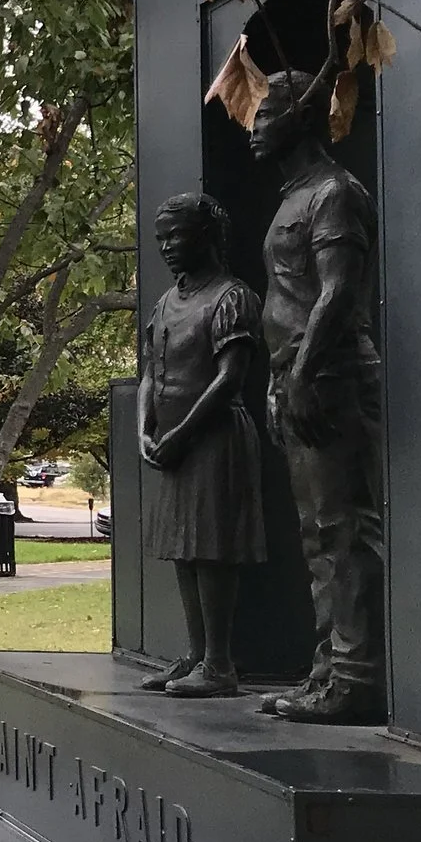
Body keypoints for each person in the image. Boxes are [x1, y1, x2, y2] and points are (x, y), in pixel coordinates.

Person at [250, 68, 386, 724]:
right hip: (298, 374)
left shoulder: (334, 193)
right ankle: (329, 669)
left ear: (302, 115)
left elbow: (336, 292)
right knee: (316, 535)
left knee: (343, 529)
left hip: (328, 376)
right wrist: (282, 377)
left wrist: (301, 372)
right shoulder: (294, 195)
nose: (253, 124)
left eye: (266, 112)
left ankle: (356, 677)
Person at [138, 192, 267, 697]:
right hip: (175, 443)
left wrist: (181, 434)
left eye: (176, 235)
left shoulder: (231, 297)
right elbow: (151, 370)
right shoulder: (166, 302)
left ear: (207, 236)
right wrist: (144, 430)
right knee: (184, 551)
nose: (167, 247)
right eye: (161, 238)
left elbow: (230, 378)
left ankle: (219, 663)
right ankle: (195, 655)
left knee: (212, 549)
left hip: (214, 438)